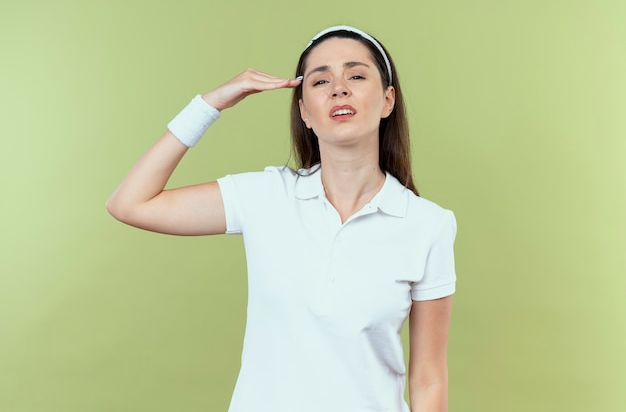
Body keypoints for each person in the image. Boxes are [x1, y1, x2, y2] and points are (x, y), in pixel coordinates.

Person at [107, 25, 457, 412]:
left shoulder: (428, 224)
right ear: (305, 111)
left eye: (356, 75)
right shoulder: (266, 196)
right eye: (321, 80)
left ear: (388, 99)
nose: (339, 88)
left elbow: (428, 378)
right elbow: (130, 203)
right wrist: (211, 104)